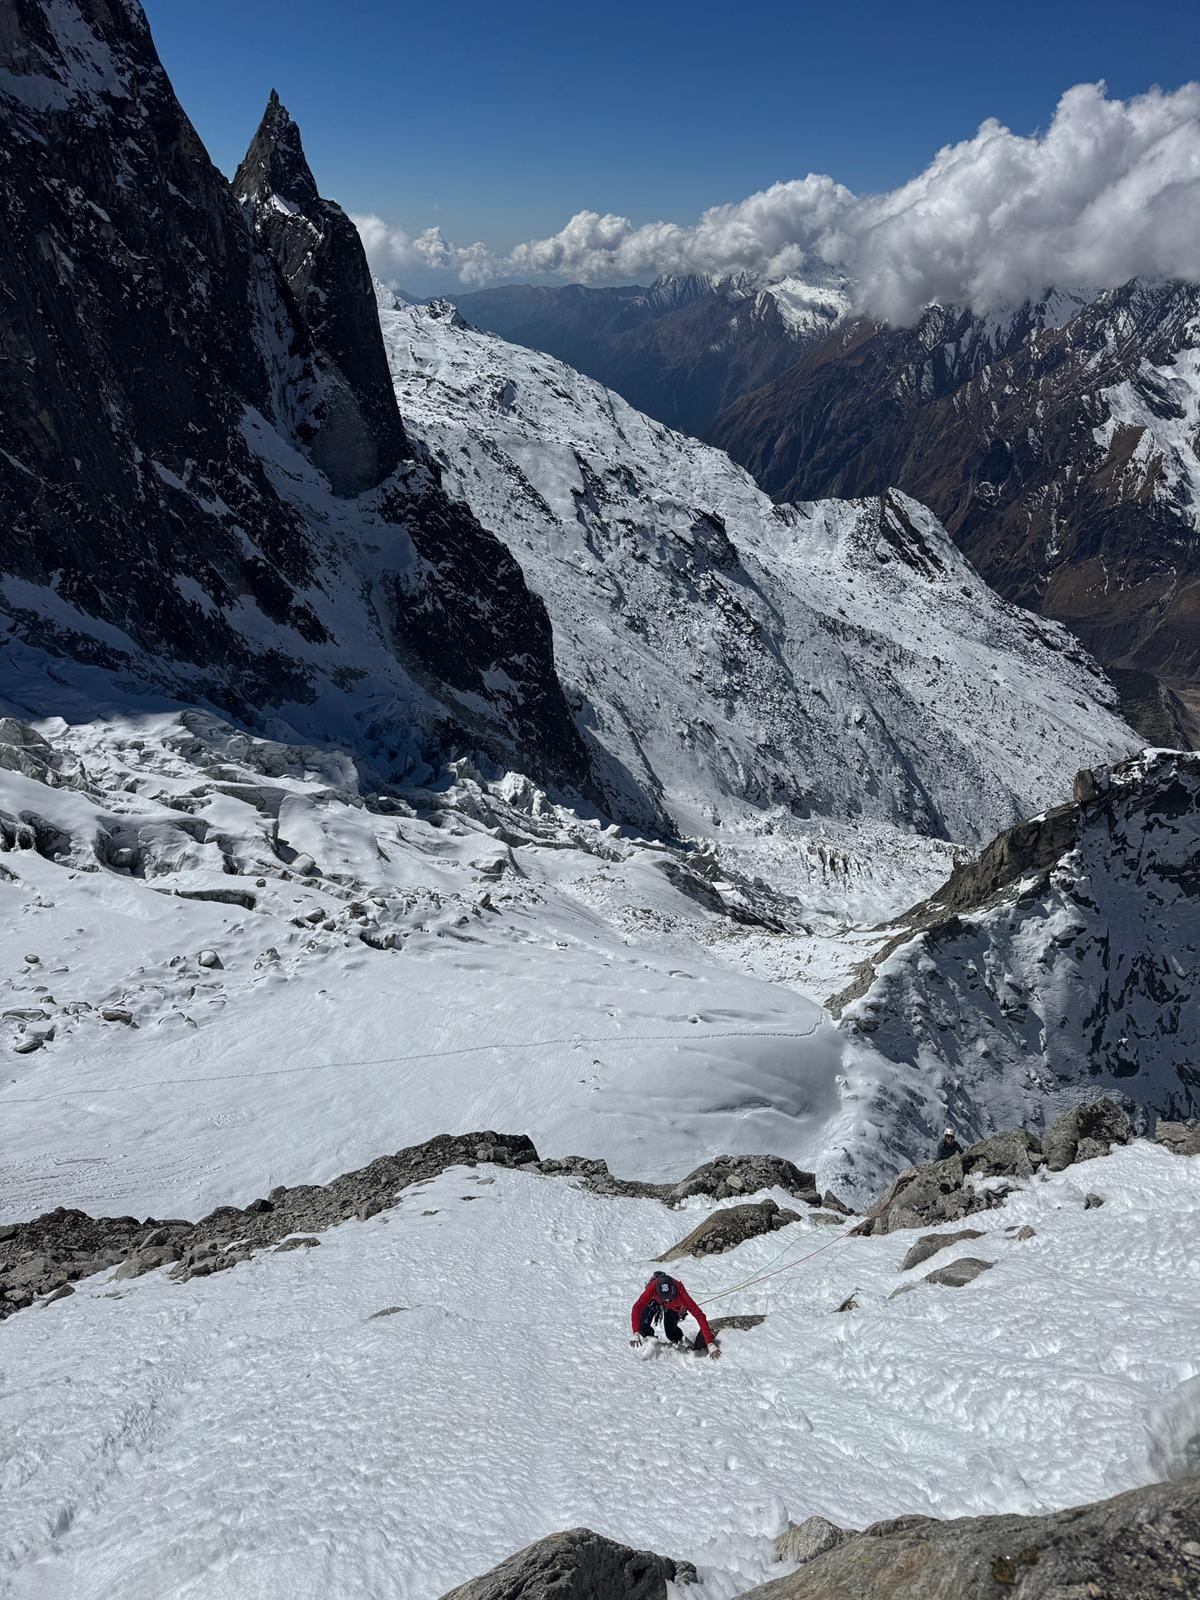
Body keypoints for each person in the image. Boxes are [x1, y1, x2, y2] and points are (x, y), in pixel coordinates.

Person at [630, 1272, 720, 1358]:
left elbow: (699, 1315)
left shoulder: (681, 1292)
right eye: (666, 1299)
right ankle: (651, 1341)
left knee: (670, 1332)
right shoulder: (652, 1288)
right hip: (655, 1300)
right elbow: (637, 1308)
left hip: (674, 1306)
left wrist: (710, 1343)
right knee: (642, 1327)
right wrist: (635, 1332)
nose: (668, 1301)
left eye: (670, 1298)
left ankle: (679, 1340)